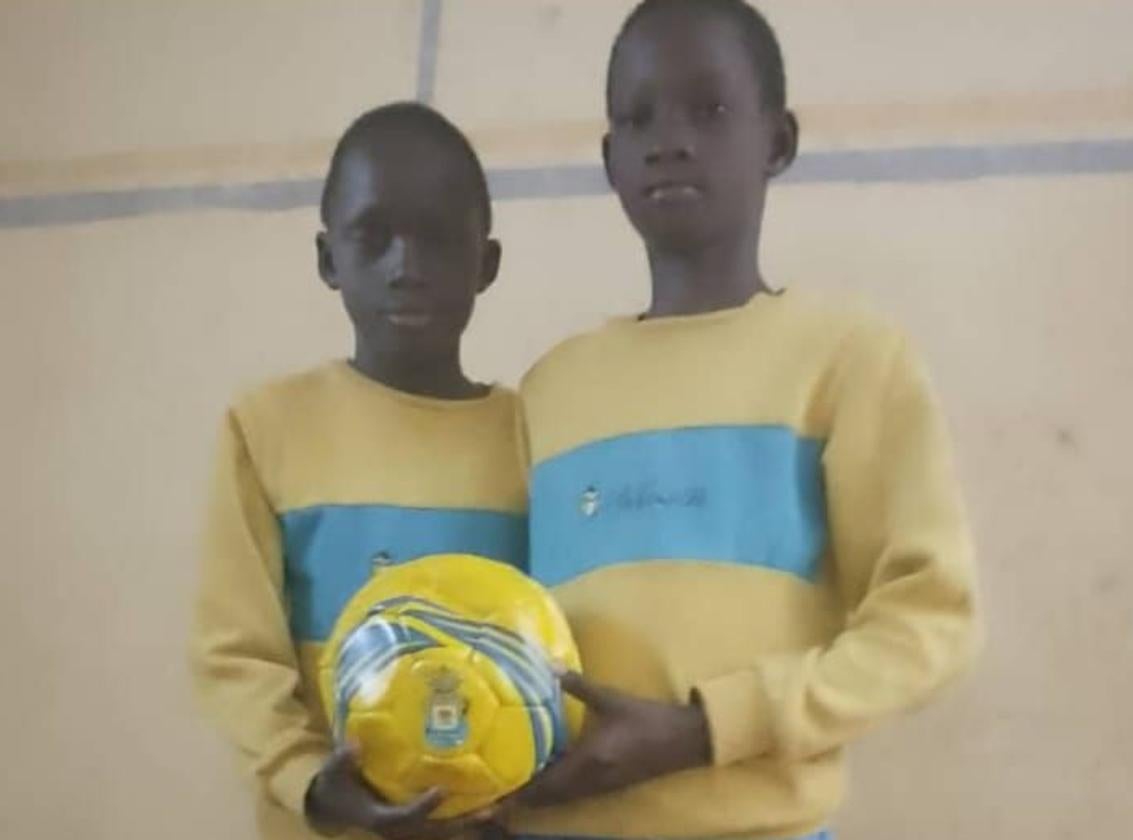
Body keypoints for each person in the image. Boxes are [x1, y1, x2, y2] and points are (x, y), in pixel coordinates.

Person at [513, 2, 981, 838]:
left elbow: (928, 620)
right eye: (638, 116)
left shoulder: (848, 361)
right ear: (608, 158)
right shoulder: (549, 391)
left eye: (711, 109)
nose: (669, 138)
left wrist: (707, 730)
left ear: (778, 140)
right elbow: (497, 634)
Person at [190, 102, 524, 840]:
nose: (405, 267)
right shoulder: (268, 429)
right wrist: (312, 781)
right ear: (327, 259)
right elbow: (236, 654)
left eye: (437, 239)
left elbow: (562, 646)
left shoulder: (536, 439)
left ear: (487, 262)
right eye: (373, 238)